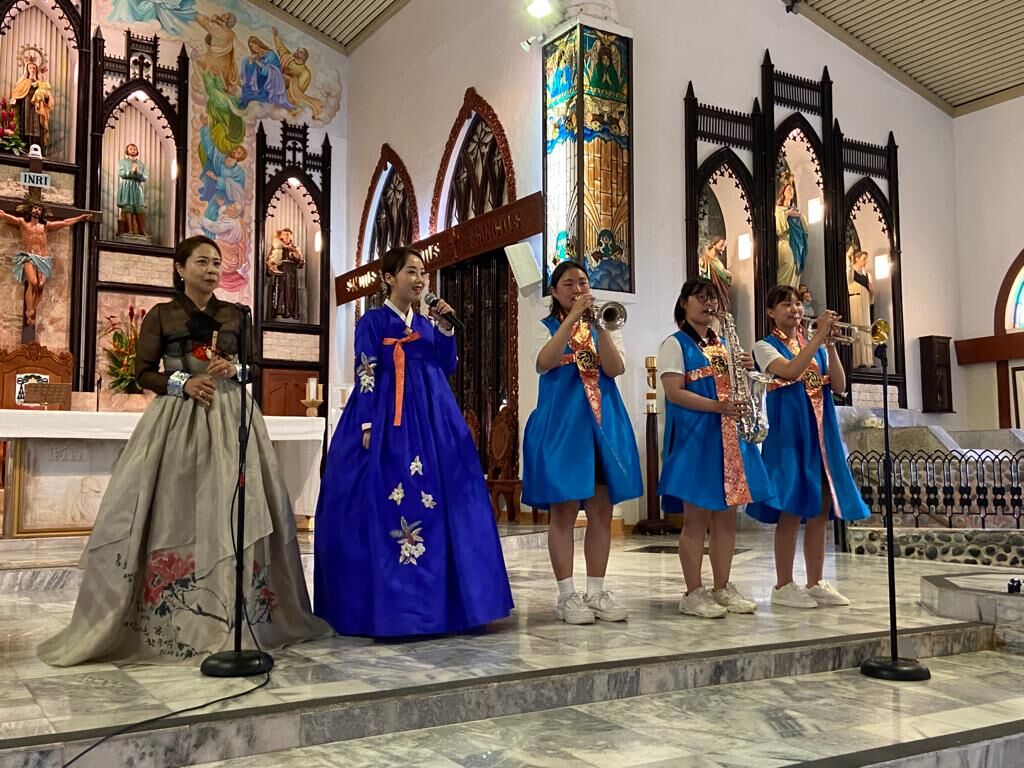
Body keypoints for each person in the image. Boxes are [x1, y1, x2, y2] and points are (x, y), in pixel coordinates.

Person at [38, 236, 327, 665]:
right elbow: (141, 373)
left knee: (235, 507)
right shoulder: (161, 314)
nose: (211, 270)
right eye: (201, 262)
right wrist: (184, 383)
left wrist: (236, 368)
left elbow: (256, 366)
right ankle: (175, 617)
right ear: (180, 267)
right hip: (177, 420)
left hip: (231, 417)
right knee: (174, 506)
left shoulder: (235, 314)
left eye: (217, 263)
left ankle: (241, 615)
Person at [314, 247, 513, 638]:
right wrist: (368, 422)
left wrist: (447, 329)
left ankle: (450, 606)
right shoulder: (372, 321)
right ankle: (390, 607)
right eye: (410, 271)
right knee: (377, 499)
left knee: (448, 500)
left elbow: (447, 364)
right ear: (388, 278)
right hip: (388, 414)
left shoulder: (425, 323)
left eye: (422, 272)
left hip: (433, 415)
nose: (419, 279)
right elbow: (366, 369)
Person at [522, 260, 642, 625]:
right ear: (556, 291)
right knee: (563, 512)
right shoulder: (543, 327)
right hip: (562, 427)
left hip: (602, 425)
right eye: (569, 283)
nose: (578, 289)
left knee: (601, 511)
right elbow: (544, 362)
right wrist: (571, 320)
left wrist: (597, 326)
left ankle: (596, 590)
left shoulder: (605, 323)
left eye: (583, 283)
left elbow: (615, 368)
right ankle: (566, 595)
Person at [746, 285, 870, 608]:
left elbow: (840, 385)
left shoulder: (814, 346)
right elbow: (789, 371)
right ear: (770, 312)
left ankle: (815, 581)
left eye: (797, 303)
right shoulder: (764, 346)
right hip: (789, 433)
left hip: (821, 431)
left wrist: (829, 346)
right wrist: (816, 340)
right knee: (791, 505)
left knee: (821, 506)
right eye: (785, 304)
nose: (794, 308)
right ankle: (783, 584)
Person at [658, 277, 773, 619]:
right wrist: (716, 407)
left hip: (730, 437)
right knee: (696, 521)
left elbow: (734, 388)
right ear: (684, 303)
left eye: (712, 299)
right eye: (700, 298)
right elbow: (674, 393)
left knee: (725, 520)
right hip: (697, 438)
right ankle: (693, 592)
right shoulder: (675, 344)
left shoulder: (722, 345)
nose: (708, 305)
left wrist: (747, 370)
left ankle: (722, 587)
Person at [0, 204, 91, 326]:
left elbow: (64, 222)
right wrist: (3, 214)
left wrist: (79, 218)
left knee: (41, 285)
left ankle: (33, 310)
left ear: (42, 213)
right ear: (30, 210)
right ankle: (29, 310)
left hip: (43, 258)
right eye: (35, 208)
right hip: (28, 256)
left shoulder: (45, 226)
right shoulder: (23, 223)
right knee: (33, 282)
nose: (37, 210)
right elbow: (6, 217)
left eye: (39, 209)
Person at [776, 182, 808, 288]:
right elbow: (778, 228)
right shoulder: (778, 209)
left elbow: (805, 229)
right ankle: (782, 290)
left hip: (797, 243)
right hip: (786, 240)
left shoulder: (796, 210)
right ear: (783, 193)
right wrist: (787, 213)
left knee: (796, 265)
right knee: (788, 264)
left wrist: (799, 216)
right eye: (789, 189)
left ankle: (792, 291)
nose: (791, 191)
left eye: (792, 190)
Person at [847, 249, 875, 369]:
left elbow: (871, 299)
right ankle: (858, 361)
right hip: (855, 301)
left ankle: (868, 360)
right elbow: (848, 276)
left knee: (866, 330)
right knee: (857, 328)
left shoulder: (867, 275)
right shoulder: (851, 272)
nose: (866, 261)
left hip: (864, 304)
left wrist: (872, 292)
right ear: (856, 258)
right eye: (864, 258)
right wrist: (848, 256)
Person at [117, 143, 149, 237]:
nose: (133, 150)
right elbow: (121, 173)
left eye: (134, 148)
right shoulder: (122, 162)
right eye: (130, 149)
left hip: (137, 187)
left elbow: (145, 177)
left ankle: (142, 230)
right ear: (127, 151)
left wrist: (138, 173)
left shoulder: (142, 165)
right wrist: (131, 172)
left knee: (140, 208)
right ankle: (129, 230)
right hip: (127, 186)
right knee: (128, 207)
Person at [698, 237, 733, 312]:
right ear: (714, 244)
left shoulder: (718, 263)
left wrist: (730, 275)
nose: (723, 249)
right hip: (711, 294)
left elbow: (723, 274)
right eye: (721, 245)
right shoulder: (704, 259)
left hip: (721, 295)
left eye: (724, 247)